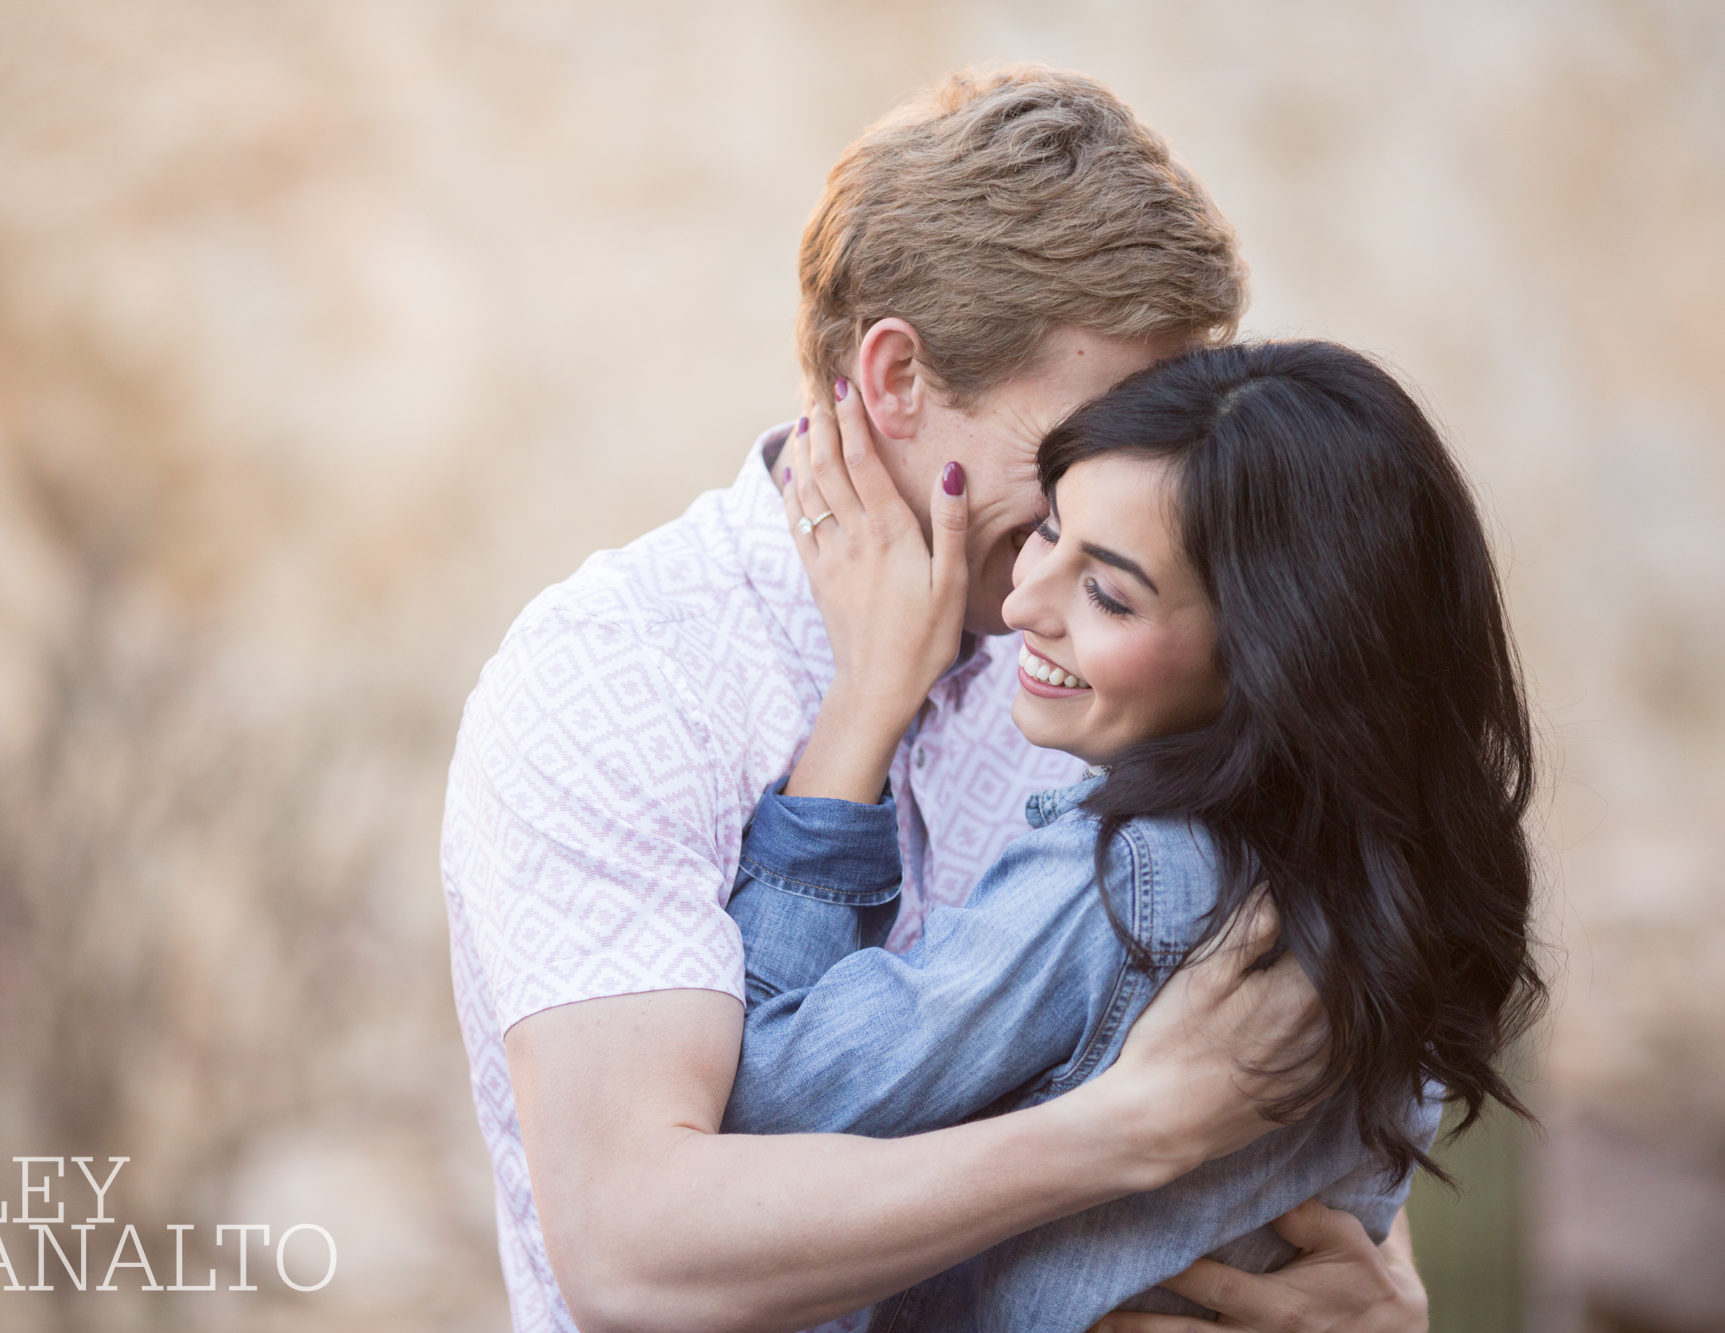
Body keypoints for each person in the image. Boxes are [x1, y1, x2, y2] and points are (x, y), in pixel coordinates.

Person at [442, 65, 1434, 1333]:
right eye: (1089, 437)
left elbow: (1307, 1152)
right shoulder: (616, 673)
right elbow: (637, 1253)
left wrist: (1378, 1307)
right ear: (895, 377)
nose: (1141, 485)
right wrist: (1114, 1136)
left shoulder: (1138, 663)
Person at [721, 341, 1545, 1329]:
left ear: (1271, 655)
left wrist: (864, 703)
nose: (1024, 602)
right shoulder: (1397, 874)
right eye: (1046, 529)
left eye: (1107, 593)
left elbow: (758, 1113)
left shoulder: (1136, 882)